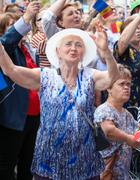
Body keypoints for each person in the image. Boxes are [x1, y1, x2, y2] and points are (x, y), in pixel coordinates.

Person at [0, 25, 119, 179]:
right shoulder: (44, 76)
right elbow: (11, 70)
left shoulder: (91, 76)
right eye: (68, 44)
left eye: (79, 45)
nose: (73, 48)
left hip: (84, 158)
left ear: (83, 53)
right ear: (57, 51)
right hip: (49, 159)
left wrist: (106, 52)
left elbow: (112, 77)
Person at [0, 1, 40, 180]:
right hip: (13, 118)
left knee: (28, 165)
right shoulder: (6, 49)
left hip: (34, 117)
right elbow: (9, 39)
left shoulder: (28, 49)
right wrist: (26, 17)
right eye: (12, 25)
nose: (20, 30)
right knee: (7, 166)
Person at [94, 64, 140, 180]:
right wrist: (128, 138)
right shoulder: (104, 110)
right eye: (121, 84)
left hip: (123, 174)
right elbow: (109, 131)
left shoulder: (127, 114)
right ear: (109, 88)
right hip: (106, 173)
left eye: (128, 84)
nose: (126, 88)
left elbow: (137, 130)